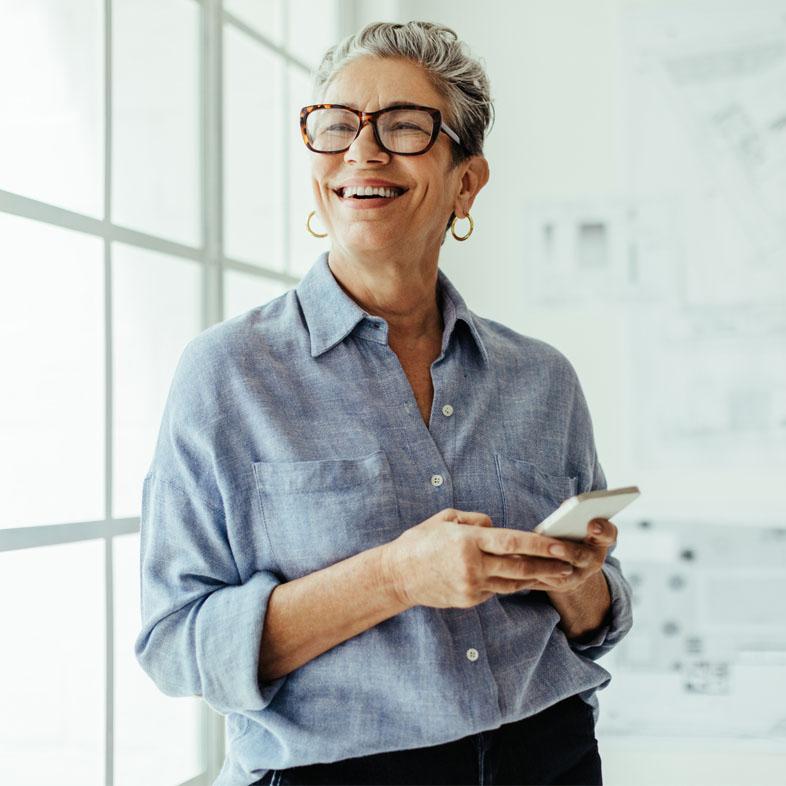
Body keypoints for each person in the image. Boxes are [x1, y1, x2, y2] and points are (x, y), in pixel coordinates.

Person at [135, 19, 633, 786]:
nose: (362, 152)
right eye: (338, 125)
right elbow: (176, 645)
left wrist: (575, 579)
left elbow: (596, 623)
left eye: (403, 127)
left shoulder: (543, 379)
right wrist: (395, 578)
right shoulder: (228, 374)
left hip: (551, 756)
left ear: (466, 182)